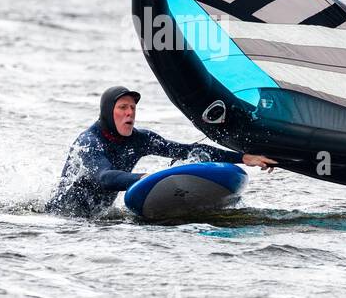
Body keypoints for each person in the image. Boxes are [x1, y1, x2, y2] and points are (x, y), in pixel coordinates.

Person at [48, 85, 276, 217]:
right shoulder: (89, 142)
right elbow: (104, 177)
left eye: (133, 108)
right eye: (122, 107)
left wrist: (243, 158)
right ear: (108, 112)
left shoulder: (140, 139)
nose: (130, 113)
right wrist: (144, 178)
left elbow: (187, 150)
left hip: (98, 217)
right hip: (66, 218)